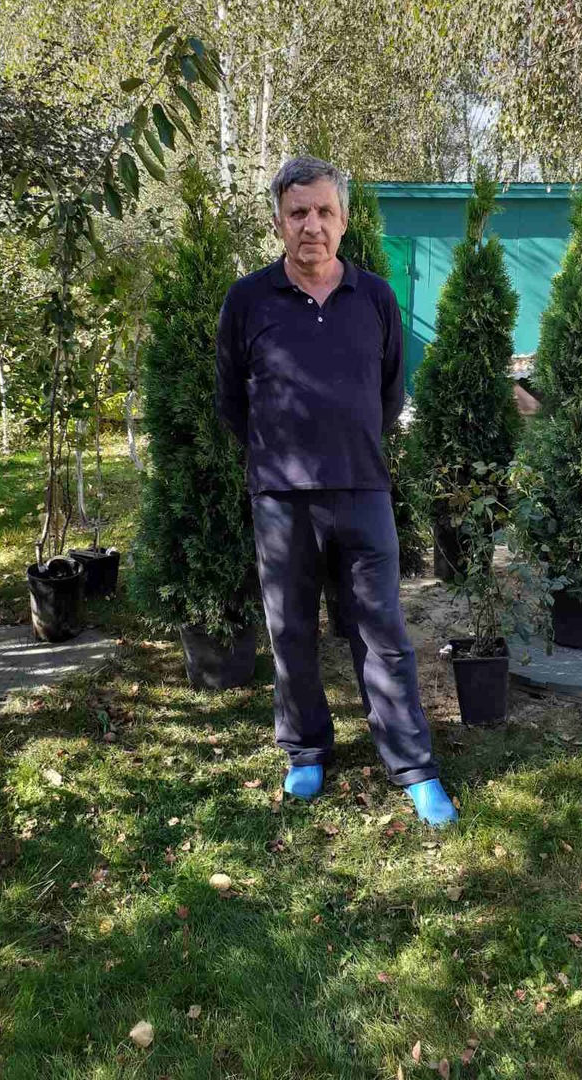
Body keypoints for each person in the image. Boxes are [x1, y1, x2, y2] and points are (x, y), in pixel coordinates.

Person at [214, 155, 458, 826]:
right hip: (280, 500)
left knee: (383, 634)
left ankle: (413, 767)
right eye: (298, 213)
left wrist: (348, 445)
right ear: (278, 222)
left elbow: (389, 394)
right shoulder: (247, 301)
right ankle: (305, 751)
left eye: (324, 211)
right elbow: (232, 401)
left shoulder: (376, 298)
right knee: (291, 631)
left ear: (344, 221)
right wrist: (279, 454)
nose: (311, 225)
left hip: (362, 491)